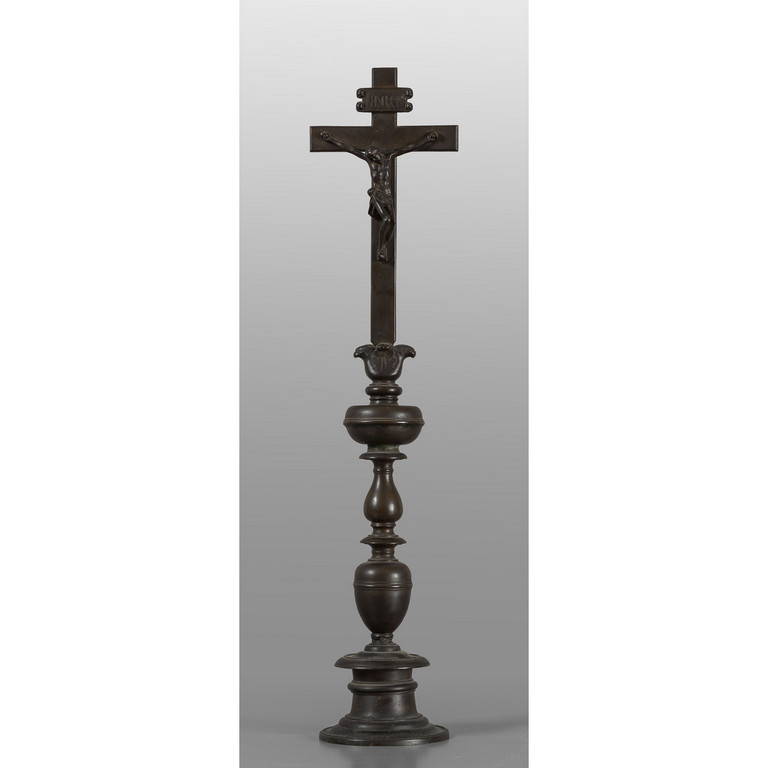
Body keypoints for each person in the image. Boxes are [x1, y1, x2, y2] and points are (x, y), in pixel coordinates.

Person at [320, 130, 439, 262]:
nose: (373, 158)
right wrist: (331, 139)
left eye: (374, 155)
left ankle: (384, 247)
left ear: (378, 152)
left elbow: (408, 148)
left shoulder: (389, 158)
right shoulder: (370, 162)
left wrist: (426, 140)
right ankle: (381, 249)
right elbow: (351, 149)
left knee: (392, 222)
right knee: (387, 219)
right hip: (377, 194)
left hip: (388, 196)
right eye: (370, 156)